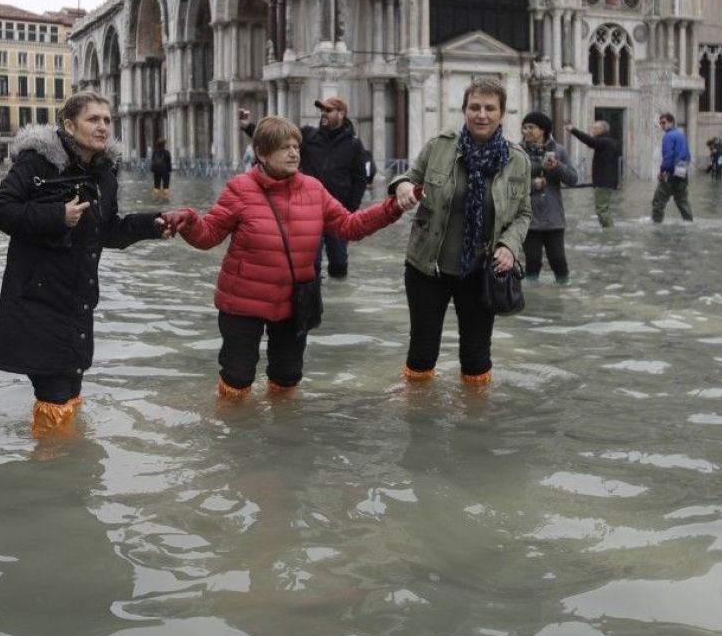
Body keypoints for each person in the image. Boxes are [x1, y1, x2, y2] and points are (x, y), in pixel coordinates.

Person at [0, 92, 191, 438]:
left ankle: (66, 464)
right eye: (93, 119)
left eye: (107, 120)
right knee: (54, 396)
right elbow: (0, 210)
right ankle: (52, 463)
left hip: (77, 303)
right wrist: (57, 216)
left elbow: (107, 230)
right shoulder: (36, 163)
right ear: (69, 126)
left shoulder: (104, 174)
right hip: (37, 302)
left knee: (70, 392)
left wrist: (153, 225)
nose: (102, 127)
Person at [171, 115, 404, 399]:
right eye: (285, 148)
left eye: (296, 146)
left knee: (287, 377)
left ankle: (281, 425)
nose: (294, 153)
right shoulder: (239, 189)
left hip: (294, 302)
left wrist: (393, 207)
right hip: (242, 302)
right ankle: (233, 424)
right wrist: (189, 221)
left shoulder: (314, 189)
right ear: (262, 153)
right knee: (237, 378)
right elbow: (208, 236)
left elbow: (349, 226)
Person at [387, 78, 532, 387]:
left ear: (502, 113)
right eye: (475, 107)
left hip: (480, 271)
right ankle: (418, 411)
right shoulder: (439, 146)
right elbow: (408, 177)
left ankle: (475, 414)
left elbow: (523, 213)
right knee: (422, 353)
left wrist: (509, 245)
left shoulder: (518, 160)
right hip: (427, 267)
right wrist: (402, 186)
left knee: (476, 359)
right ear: (464, 110)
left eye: (490, 108)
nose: (482, 115)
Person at [240, 97, 371, 278]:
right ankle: (312, 292)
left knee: (339, 263)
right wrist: (248, 126)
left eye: (328, 110)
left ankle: (338, 291)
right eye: (322, 110)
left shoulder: (354, 145)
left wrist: (350, 209)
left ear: (341, 114)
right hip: (307, 211)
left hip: (337, 212)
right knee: (310, 264)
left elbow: (360, 179)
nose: (323, 114)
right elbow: (278, 140)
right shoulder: (308, 136)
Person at [520, 111, 576, 285]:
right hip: (528, 218)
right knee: (532, 262)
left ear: (542, 130)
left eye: (531, 127)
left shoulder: (559, 151)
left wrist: (556, 167)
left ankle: (563, 294)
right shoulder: (517, 151)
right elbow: (508, 184)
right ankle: (532, 298)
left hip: (554, 218)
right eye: (524, 127)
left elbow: (573, 179)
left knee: (558, 261)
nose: (526, 131)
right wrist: (532, 184)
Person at [563, 118, 621, 227]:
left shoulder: (605, 141)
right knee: (604, 209)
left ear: (602, 130)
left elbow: (589, 141)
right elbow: (591, 142)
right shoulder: (606, 141)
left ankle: (609, 232)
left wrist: (572, 130)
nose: (592, 130)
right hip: (606, 181)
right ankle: (609, 228)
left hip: (604, 182)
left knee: (602, 210)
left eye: (595, 128)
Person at [651, 112, 694, 224]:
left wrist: (662, 172)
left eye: (664, 122)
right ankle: (689, 222)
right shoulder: (681, 135)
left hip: (671, 172)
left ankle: (656, 223)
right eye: (660, 123)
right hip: (682, 171)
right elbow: (688, 156)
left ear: (671, 122)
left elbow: (668, 157)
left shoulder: (668, 136)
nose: (662, 125)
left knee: (658, 200)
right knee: (682, 200)